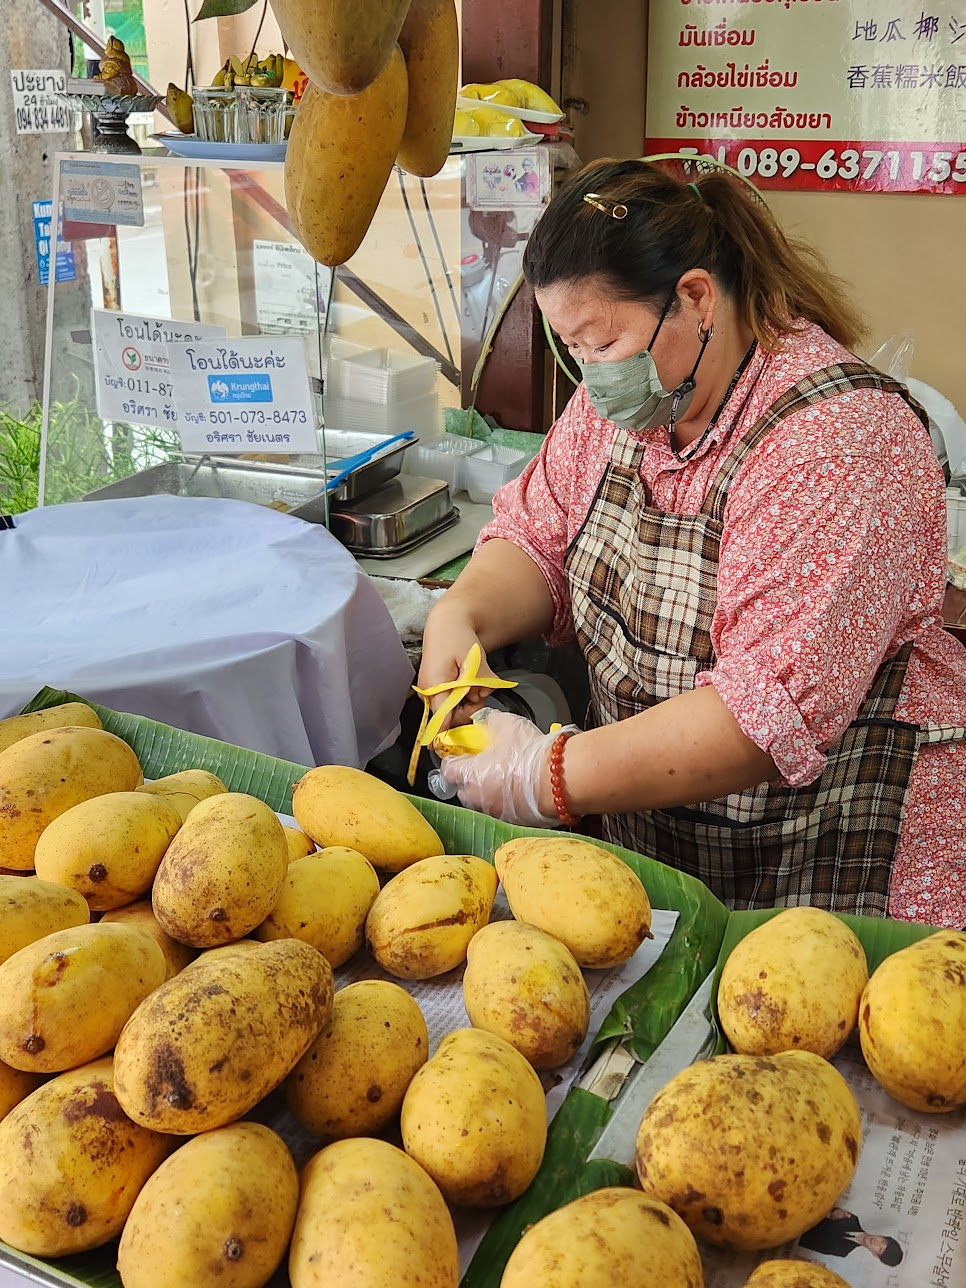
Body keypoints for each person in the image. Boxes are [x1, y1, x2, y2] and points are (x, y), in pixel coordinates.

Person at [418, 156, 966, 924]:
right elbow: (538, 536)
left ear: (696, 299)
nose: (590, 376)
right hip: (675, 857)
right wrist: (464, 615)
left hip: (836, 865)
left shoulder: (836, 444)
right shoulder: (631, 404)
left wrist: (545, 771)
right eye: (571, 349)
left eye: (600, 345)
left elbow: (756, 720)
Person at [799, 1207, 904, 1266]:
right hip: (802, 1211)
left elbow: (804, 1243)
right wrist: (833, 1212)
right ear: (882, 1236)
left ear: (875, 1255)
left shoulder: (842, 1251)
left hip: (793, 1231)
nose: (877, 1242)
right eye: (883, 1241)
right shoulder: (852, 1219)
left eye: (880, 1249)